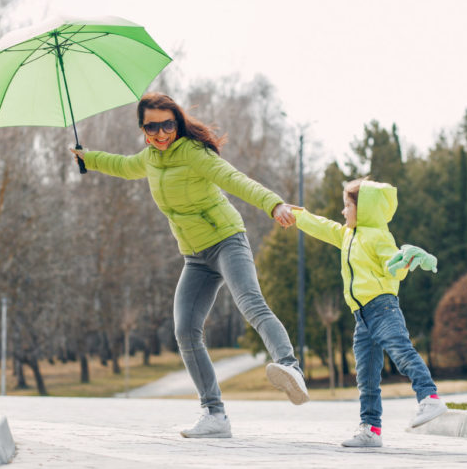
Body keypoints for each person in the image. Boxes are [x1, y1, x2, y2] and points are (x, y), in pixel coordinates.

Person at [70, 92, 309, 439]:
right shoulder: (150, 159)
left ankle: (290, 368)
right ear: (143, 128)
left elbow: (235, 179)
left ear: (177, 123)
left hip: (227, 240)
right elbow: (121, 166)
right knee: (185, 330)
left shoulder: (195, 154)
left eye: (168, 124)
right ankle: (214, 415)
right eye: (152, 126)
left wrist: (273, 205)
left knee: (250, 304)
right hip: (195, 257)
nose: (161, 133)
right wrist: (87, 157)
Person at [290, 178, 447, 448]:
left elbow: (392, 266)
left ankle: (429, 398)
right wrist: (297, 215)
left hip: (382, 307)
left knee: (402, 353)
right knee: (366, 376)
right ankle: (371, 429)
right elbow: (323, 227)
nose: (343, 212)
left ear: (362, 210)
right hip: (361, 317)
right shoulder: (347, 235)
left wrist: (404, 261)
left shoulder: (378, 235)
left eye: (347, 206)